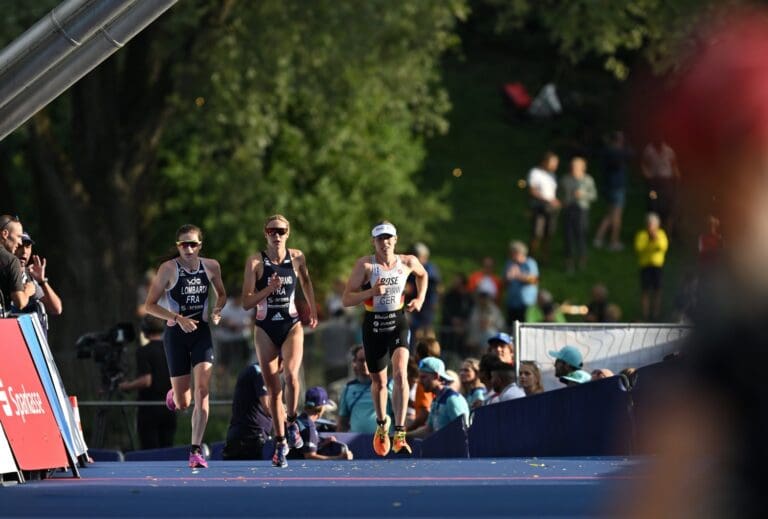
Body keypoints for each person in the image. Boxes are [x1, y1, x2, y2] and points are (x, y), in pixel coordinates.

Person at [144, 223, 227, 469]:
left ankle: (195, 450)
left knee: (203, 391)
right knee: (183, 403)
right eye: (183, 244)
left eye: (193, 244)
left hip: (201, 333)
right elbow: (150, 305)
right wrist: (178, 319)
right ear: (177, 246)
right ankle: (175, 395)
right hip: (176, 335)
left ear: (200, 245)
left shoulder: (211, 266)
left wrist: (217, 310)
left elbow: (221, 294)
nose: (188, 249)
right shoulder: (168, 269)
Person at [342, 220, 428, 457]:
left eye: (389, 238)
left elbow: (423, 275)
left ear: (395, 239)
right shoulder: (366, 265)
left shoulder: (408, 261)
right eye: (380, 239)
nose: (385, 243)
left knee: (400, 373)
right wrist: (370, 292)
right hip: (373, 325)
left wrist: (420, 298)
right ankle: (382, 425)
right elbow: (347, 299)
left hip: (397, 322)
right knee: (378, 382)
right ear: (374, 242)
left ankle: (400, 432)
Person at [242, 214, 318, 468]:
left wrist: (312, 309)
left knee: (293, 377)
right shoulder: (255, 261)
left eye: (281, 231)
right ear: (265, 233)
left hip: (291, 323)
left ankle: (293, 420)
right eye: (272, 231)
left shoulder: (297, 257)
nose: (277, 235)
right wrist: (268, 289)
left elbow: (306, 281)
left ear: (288, 233)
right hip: (265, 327)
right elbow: (246, 303)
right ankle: (280, 441)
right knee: (274, 390)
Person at [118, 315, 177, 450]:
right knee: (167, 448)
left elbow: (146, 381)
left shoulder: (144, 351)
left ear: (144, 331)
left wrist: (126, 386)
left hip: (149, 408)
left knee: (149, 450)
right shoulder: (171, 349)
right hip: (170, 406)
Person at [11, 232, 63, 332]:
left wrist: (41, 281)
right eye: (20, 246)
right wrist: (26, 293)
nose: (24, 251)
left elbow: (56, 309)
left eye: (28, 246)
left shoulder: (29, 276)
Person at [222, 362, 273, 460]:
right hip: (251, 438)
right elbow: (269, 408)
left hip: (237, 435)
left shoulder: (252, 370)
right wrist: (289, 420)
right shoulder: (260, 372)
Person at [287, 386, 354, 461]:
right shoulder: (309, 426)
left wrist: (322, 442)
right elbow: (310, 456)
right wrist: (340, 458)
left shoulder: (300, 420)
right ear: (321, 408)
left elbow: (301, 448)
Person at [408, 358, 469, 438]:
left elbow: (464, 432)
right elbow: (428, 430)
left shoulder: (452, 399)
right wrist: (403, 436)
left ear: (436, 376)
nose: (420, 381)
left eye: (423, 377)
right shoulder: (436, 400)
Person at [337, 345, 392, 433]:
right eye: (361, 360)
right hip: (356, 443)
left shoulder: (388, 385)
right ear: (354, 362)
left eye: (368, 359)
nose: (365, 364)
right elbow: (342, 423)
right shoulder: (348, 388)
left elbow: (399, 416)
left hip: (384, 442)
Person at [594, 130, 632, 251]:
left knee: (610, 214)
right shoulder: (617, 152)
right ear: (619, 140)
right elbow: (630, 154)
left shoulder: (607, 151)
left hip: (609, 186)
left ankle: (598, 238)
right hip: (617, 187)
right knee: (616, 215)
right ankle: (613, 241)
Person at [559, 156, 597, 273]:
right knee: (568, 236)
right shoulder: (565, 179)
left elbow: (594, 196)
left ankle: (582, 261)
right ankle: (569, 262)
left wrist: (583, 194)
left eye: (576, 166)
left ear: (582, 167)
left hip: (582, 210)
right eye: (572, 166)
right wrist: (562, 202)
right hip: (569, 209)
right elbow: (558, 193)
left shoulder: (588, 180)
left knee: (581, 235)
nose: (574, 168)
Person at [635, 212, 669, 321]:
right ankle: (645, 315)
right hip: (645, 266)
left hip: (657, 267)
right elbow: (639, 248)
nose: (650, 226)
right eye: (649, 224)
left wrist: (655, 239)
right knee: (645, 291)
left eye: (653, 224)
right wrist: (650, 242)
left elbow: (663, 247)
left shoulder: (661, 234)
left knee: (657, 291)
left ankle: (656, 315)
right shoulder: (642, 235)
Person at [527, 151, 561, 261]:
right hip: (539, 207)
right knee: (537, 233)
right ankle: (531, 257)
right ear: (545, 162)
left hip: (551, 208)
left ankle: (544, 257)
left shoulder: (553, 176)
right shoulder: (535, 173)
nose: (555, 165)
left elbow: (552, 193)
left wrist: (555, 201)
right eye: (553, 163)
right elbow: (532, 191)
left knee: (549, 234)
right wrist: (547, 200)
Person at [406, 242, 441, 346]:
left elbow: (433, 287)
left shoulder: (430, 269)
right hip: (412, 308)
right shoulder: (412, 269)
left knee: (424, 335)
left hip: (425, 308)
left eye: (416, 255)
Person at [406, 337, 441, 433]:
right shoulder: (439, 375)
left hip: (424, 433)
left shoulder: (424, 382)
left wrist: (405, 431)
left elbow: (424, 414)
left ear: (418, 355)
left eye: (416, 352)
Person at [504, 241, 539, 324]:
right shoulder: (509, 263)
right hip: (512, 303)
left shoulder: (530, 263)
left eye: (513, 253)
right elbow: (504, 282)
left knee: (524, 328)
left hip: (526, 304)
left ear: (520, 253)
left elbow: (534, 280)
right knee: (511, 327)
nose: (512, 255)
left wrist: (518, 275)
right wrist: (508, 278)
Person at [0, 214, 29, 315]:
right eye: (18, 237)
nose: (20, 242)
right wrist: (28, 292)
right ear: (5, 234)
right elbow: (20, 302)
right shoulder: (11, 261)